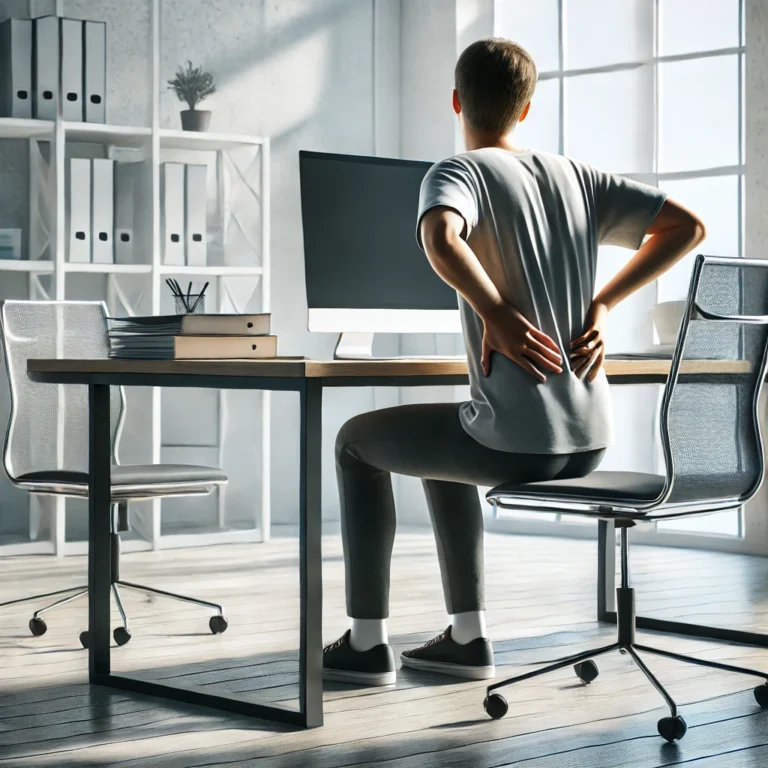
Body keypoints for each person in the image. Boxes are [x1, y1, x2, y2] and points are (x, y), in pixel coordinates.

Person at [322, 37, 706, 686]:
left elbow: (440, 238)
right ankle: (465, 638)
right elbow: (687, 227)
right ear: (525, 109)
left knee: (354, 444)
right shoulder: (577, 177)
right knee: (443, 438)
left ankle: (365, 644)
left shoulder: (458, 171)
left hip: (517, 444)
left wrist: (495, 312)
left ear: (455, 101)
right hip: (589, 443)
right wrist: (604, 304)